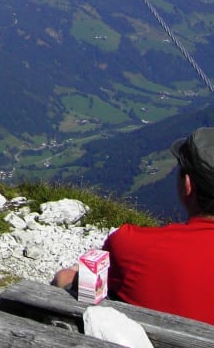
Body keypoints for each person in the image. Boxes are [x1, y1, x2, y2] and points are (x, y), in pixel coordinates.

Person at [52, 126, 214, 324]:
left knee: (65, 278)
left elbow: (91, 289)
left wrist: (70, 275)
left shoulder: (131, 243)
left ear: (188, 184)